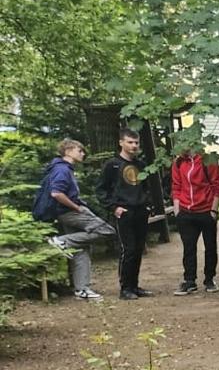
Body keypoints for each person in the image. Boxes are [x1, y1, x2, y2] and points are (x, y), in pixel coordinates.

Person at [32, 139, 114, 300]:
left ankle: (82, 289)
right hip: (69, 212)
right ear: (68, 151)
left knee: (80, 248)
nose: (83, 154)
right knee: (106, 230)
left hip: (65, 212)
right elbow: (56, 193)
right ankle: (60, 241)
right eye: (79, 150)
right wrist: (76, 207)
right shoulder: (62, 169)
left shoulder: (63, 168)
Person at [95, 128, 153, 299]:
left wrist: (147, 205)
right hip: (124, 212)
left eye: (136, 142)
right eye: (130, 142)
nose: (134, 145)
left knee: (138, 249)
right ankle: (125, 288)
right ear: (121, 143)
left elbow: (146, 187)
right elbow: (101, 189)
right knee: (128, 249)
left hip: (140, 211)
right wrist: (114, 207)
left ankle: (134, 286)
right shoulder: (112, 165)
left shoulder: (140, 165)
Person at [169, 142, 219, 294]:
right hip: (186, 212)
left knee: (210, 247)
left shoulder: (208, 160)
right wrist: (177, 211)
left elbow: (218, 186)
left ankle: (209, 279)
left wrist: (213, 210)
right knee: (188, 248)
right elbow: (176, 186)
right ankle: (189, 280)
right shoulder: (178, 162)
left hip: (206, 210)